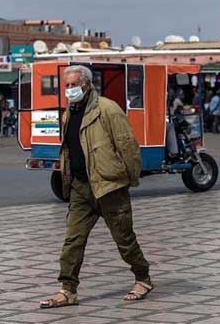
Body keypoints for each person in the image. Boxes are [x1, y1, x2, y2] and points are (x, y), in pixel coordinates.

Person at [40, 65, 151, 309]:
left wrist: (129, 180)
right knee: (73, 240)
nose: (69, 90)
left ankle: (143, 278)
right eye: (66, 86)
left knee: (124, 238)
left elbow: (128, 147)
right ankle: (67, 290)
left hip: (109, 186)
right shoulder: (69, 112)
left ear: (86, 85)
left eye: (73, 85)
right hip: (81, 188)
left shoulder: (108, 109)